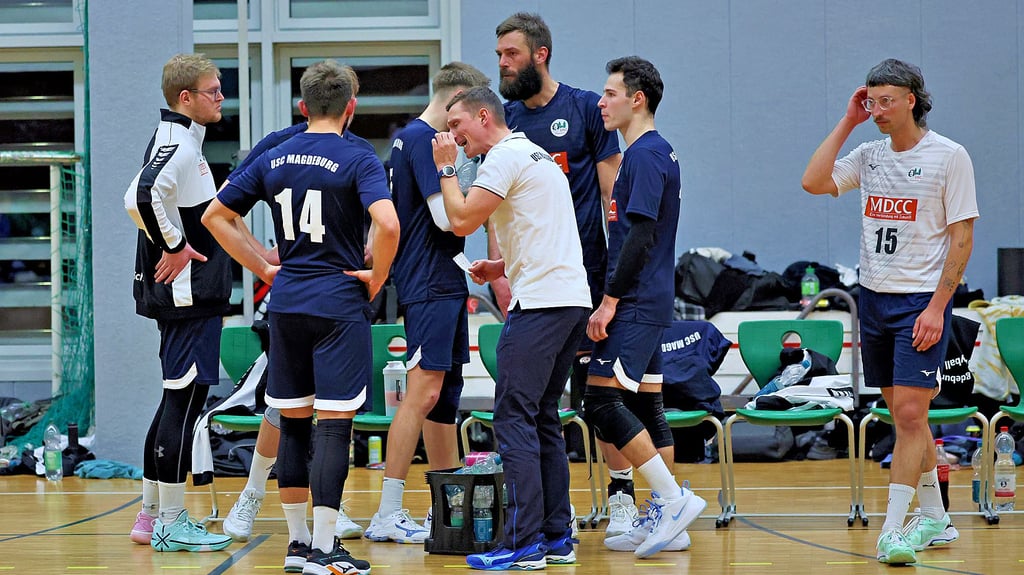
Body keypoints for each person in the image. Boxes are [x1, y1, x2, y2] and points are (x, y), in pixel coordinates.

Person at [203, 59, 399, 575]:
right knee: (334, 427)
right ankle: (326, 548)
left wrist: (265, 264)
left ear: (303, 107)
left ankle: (297, 546)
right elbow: (388, 222)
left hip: (286, 305)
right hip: (337, 305)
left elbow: (215, 216)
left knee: (292, 426)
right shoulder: (359, 154)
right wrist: (377, 277)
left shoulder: (277, 152)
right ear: (351, 107)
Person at [801, 58, 978, 566]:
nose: (877, 109)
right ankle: (937, 519)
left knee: (907, 415)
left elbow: (963, 238)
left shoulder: (949, 156)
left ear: (912, 100)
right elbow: (814, 182)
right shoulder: (869, 153)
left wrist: (938, 308)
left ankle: (892, 528)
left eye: (886, 101)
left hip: (920, 303)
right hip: (874, 300)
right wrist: (847, 120)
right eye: (871, 100)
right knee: (906, 417)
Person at [432, 86, 590, 570]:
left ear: (484, 116)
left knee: (513, 417)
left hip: (541, 305)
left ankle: (523, 544)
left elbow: (459, 220)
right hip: (568, 300)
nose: (454, 137)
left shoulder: (502, 158)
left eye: (457, 125)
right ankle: (556, 536)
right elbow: (546, 231)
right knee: (542, 415)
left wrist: (445, 169)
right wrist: (500, 267)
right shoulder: (537, 155)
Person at [493, 12, 637, 536]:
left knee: (599, 391)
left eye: (511, 54)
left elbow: (612, 196)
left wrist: (617, 282)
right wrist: (501, 274)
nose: (503, 65)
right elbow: (496, 206)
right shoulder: (505, 119)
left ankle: (622, 494)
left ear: (540, 54)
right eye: (500, 56)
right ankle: (558, 516)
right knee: (541, 406)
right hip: (531, 283)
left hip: (587, 276)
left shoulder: (582, 109)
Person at [582, 56, 706, 559]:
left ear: (638, 99)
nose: (600, 101)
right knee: (647, 404)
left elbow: (640, 235)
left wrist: (609, 301)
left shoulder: (647, 155)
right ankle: (667, 521)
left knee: (601, 402)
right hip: (648, 298)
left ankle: (672, 499)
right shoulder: (647, 153)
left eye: (609, 93)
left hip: (634, 300)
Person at [363, 62, 492, 545]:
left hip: (442, 280)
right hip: (429, 283)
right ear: (455, 96)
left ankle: (448, 509)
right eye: (465, 110)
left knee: (443, 401)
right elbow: (449, 219)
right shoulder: (422, 140)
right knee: (422, 393)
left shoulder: (410, 140)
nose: (464, 127)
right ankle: (388, 511)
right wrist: (481, 186)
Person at [123, 53, 234, 553]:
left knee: (176, 400)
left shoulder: (184, 140)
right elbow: (140, 195)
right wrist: (172, 245)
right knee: (183, 404)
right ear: (185, 97)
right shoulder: (178, 143)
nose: (221, 97)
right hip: (187, 298)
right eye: (213, 90)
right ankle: (170, 521)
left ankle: (150, 517)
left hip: (188, 299)